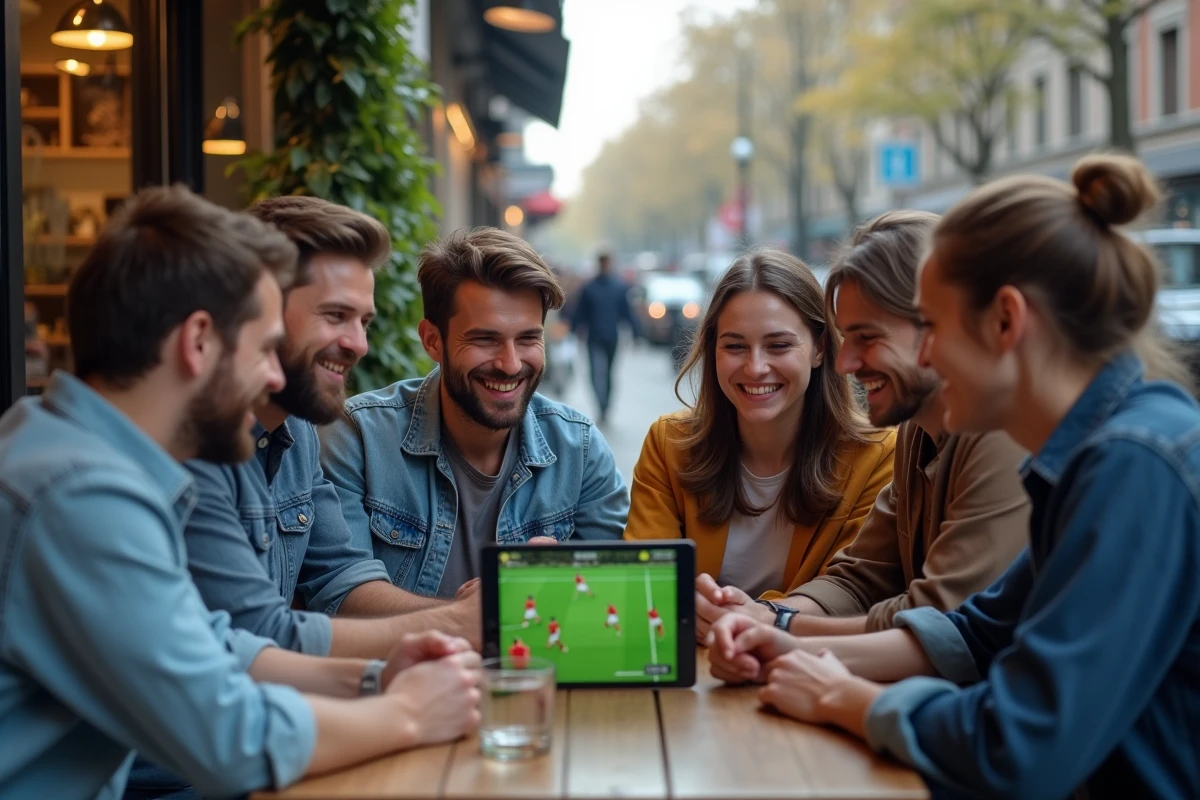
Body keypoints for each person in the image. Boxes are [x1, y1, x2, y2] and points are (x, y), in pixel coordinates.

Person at [708, 155, 1200, 799]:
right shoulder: (1095, 455)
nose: (928, 356)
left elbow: (1021, 743)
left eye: (933, 327)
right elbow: (972, 633)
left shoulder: (1131, 463)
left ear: (1006, 321)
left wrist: (842, 696)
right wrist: (778, 640)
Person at [0, 186, 481, 799]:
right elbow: (231, 738)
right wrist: (410, 712)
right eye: (262, 348)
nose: (275, 376)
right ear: (198, 342)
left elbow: (213, 644)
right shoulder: (83, 495)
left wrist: (376, 678)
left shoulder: (60, 448)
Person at [692, 213, 1030, 637]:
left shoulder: (1003, 432)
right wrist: (768, 618)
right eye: (846, 336)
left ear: (941, 325)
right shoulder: (916, 431)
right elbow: (862, 576)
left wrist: (781, 634)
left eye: (867, 337)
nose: (844, 362)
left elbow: (942, 622)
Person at [322, 227, 628, 599]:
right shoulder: (359, 437)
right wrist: (481, 614)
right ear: (433, 341)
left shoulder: (578, 448)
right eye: (485, 339)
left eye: (529, 338)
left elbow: (620, 593)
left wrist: (572, 585)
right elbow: (342, 592)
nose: (511, 364)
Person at [623, 249, 896, 632]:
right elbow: (647, 578)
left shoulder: (879, 455)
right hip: (692, 675)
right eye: (735, 346)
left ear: (819, 348)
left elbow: (853, 590)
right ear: (712, 350)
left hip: (814, 669)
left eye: (779, 345)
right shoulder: (668, 443)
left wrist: (751, 616)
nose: (755, 367)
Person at [570, 253, 641, 423]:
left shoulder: (619, 287)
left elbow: (627, 312)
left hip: (611, 337)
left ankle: (606, 406)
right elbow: (580, 312)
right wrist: (573, 330)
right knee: (595, 372)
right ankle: (601, 404)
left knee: (608, 373)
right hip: (594, 337)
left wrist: (637, 332)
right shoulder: (589, 288)